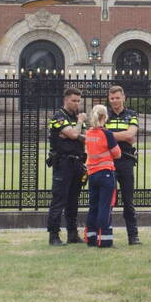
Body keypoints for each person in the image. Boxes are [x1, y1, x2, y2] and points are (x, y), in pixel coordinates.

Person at [46, 87, 87, 246]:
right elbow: (75, 135)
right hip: (63, 163)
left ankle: (72, 234)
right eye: (73, 100)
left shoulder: (75, 117)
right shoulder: (58, 116)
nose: (76, 103)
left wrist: (73, 133)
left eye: (78, 101)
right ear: (66, 100)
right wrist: (77, 128)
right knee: (59, 200)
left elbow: (83, 137)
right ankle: (54, 235)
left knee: (73, 201)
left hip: (77, 162)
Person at [105, 85, 141, 245]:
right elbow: (100, 135)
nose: (114, 101)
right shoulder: (104, 115)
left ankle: (133, 236)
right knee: (108, 200)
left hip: (126, 161)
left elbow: (131, 134)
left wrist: (110, 135)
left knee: (128, 200)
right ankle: (106, 236)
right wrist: (124, 136)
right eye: (112, 98)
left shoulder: (131, 114)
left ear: (123, 97)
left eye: (117, 98)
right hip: (108, 161)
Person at [84, 104, 121, 248]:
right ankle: (104, 239)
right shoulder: (107, 134)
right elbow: (117, 153)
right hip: (105, 172)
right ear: (104, 117)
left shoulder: (89, 133)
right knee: (105, 206)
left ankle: (91, 238)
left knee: (93, 206)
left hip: (92, 174)